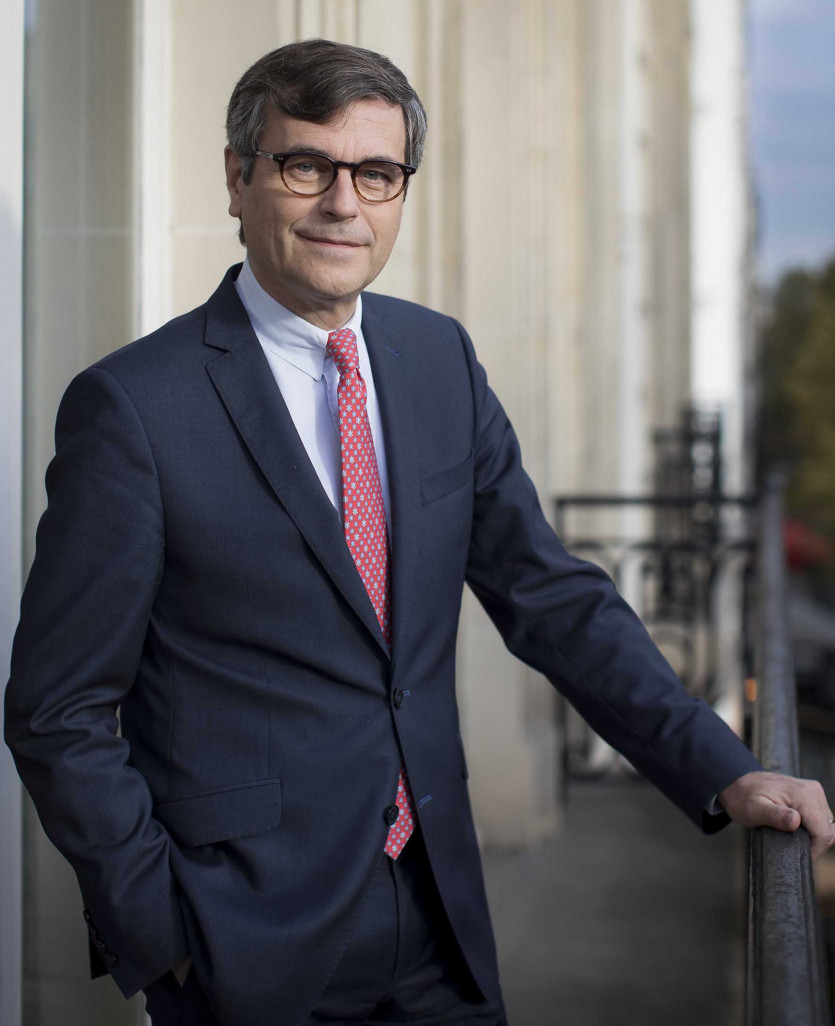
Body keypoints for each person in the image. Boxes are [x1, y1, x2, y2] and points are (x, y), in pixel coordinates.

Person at [4, 37, 834, 1026]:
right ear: (238, 177)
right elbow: (56, 708)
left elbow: (552, 598)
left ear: (401, 189)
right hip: (241, 944)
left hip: (439, 916)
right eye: (305, 164)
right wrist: (163, 933)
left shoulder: (437, 360)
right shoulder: (135, 409)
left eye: (375, 172)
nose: (342, 203)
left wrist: (724, 767)